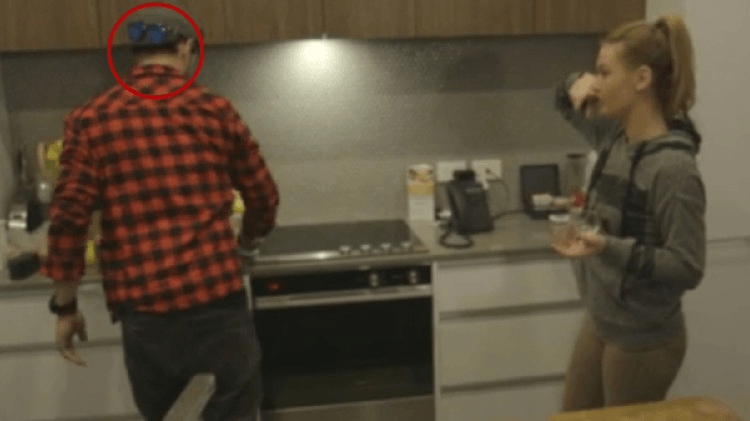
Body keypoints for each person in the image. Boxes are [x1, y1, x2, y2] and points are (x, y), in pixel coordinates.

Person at [40, 6, 279, 421]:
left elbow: (67, 218)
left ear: (135, 55)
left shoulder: (89, 119)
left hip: (147, 320)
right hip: (217, 308)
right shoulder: (214, 108)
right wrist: (247, 243)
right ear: (185, 48)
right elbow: (263, 196)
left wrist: (65, 307)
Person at [551, 13, 706, 410]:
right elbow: (563, 99)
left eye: (605, 73)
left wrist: (606, 246)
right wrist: (575, 82)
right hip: (601, 320)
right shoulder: (614, 138)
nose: (596, 83)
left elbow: (687, 266)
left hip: (642, 338)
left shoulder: (672, 168)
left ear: (641, 79)